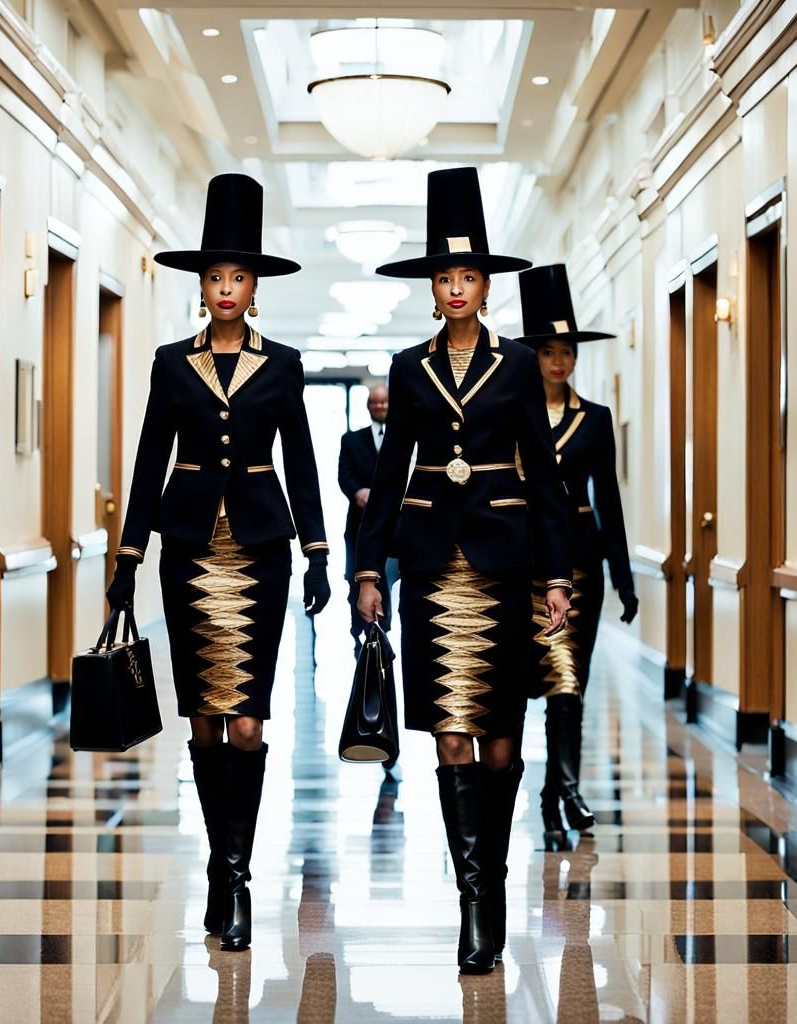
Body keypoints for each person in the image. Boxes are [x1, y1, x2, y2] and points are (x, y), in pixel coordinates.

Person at [105, 173, 331, 953]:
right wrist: (127, 559)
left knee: (247, 716)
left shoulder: (285, 363)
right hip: (191, 554)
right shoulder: (173, 363)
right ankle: (219, 863)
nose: (227, 288)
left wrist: (317, 551)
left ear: (255, 285)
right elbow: (146, 461)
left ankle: (236, 873)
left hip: (262, 555)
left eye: (238, 276)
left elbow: (300, 459)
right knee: (204, 715)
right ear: (200, 286)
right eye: (215, 276)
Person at [355, 167, 572, 974]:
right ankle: (473, 899)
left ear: (487, 285)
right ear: (432, 286)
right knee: (450, 743)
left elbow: (545, 476)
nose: (455, 288)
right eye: (444, 277)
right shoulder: (410, 369)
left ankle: (495, 880)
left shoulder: (517, 366)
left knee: (503, 748)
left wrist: (556, 578)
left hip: (504, 566)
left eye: (468, 276)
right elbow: (394, 461)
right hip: (432, 570)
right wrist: (369, 568)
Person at [514, 264, 638, 835]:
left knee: (570, 683)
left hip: (581, 566)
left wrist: (623, 575)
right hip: (525, 563)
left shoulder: (596, 419)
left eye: (567, 351)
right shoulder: (515, 416)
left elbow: (607, 497)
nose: (559, 361)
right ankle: (558, 794)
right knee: (533, 685)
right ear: (533, 357)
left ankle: (560, 792)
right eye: (548, 351)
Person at [338, 384, 399, 653]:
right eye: (375, 403)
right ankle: (359, 629)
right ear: (368, 406)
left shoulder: (402, 439)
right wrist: (357, 492)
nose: (380, 407)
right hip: (360, 524)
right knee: (358, 576)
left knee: (390, 576)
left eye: (384, 403)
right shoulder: (351, 440)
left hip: (396, 523)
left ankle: (385, 627)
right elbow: (344, 475)